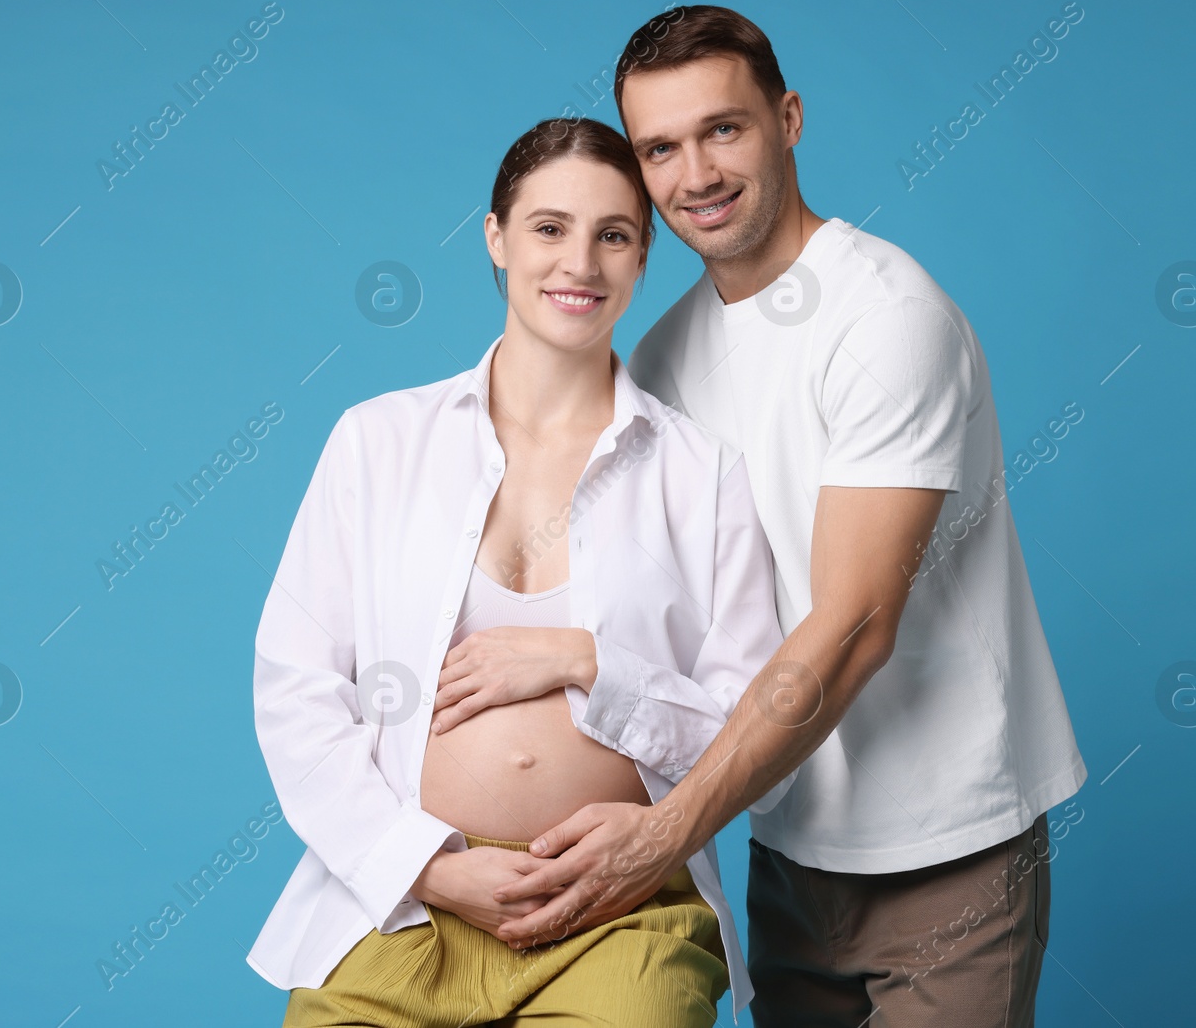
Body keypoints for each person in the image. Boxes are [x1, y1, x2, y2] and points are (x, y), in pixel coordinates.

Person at [488, 6, 1089, 1027]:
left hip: (947, 846)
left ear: (788, 118)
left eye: (723, 129)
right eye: (660, 149)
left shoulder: (885, 317)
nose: (697, 175)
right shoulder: (668, 357)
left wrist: (665, 829)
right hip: (779, 840)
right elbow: (664, 610)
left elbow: (853, 623)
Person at [245, 116, 790, 1027]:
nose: (579, 262)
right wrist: (426, 865)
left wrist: (590, 661)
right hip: (400, 908)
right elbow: (296, 691)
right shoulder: (378, 442)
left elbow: (755, 749)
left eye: (613, 234)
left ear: (644, 254)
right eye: (549, 228)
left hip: (618, 915)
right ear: (495, 237)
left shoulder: (702, 472)